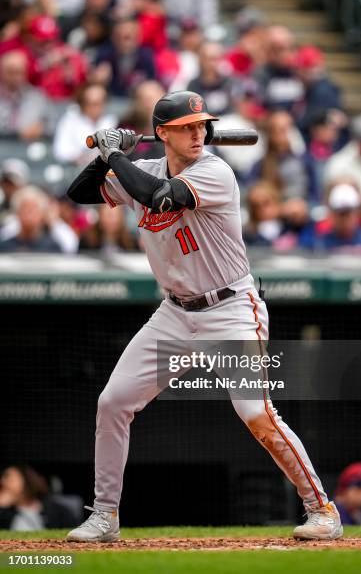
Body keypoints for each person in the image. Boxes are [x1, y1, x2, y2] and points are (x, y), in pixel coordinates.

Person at [65, 90, 342, 542]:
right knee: (112, 403)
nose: (198, 134)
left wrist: (114, 152)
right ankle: (105, 516)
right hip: (174, 314)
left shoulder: (215, 171)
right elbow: (78, 193)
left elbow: (158, 198)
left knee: (256, 412)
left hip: (231, 309)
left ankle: (322, 509)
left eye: (201, 126)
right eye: (186, 128)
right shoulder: (146, 168)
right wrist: (110, 154)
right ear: (163, 134)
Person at [53, 82, 117, 166]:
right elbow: (60, 151)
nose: (96, 107)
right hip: (75, 170)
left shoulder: (112, 120)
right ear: (83, 103)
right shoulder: (70, 120)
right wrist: (80, 157)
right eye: (92, 103)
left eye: (100, 102)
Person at [0, 465, 80, 530]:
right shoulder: (5, 512)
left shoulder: (56, 511)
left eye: (9, 478)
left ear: (27, 481)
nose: (3, 482)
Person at [0, 50, 48, 140]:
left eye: (20, 72)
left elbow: (50, 123)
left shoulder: (37, 97)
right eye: (11, 72)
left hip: (28, 148)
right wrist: (17, 134)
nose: (16, 77)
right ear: (2, 72)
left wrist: (41, 129)